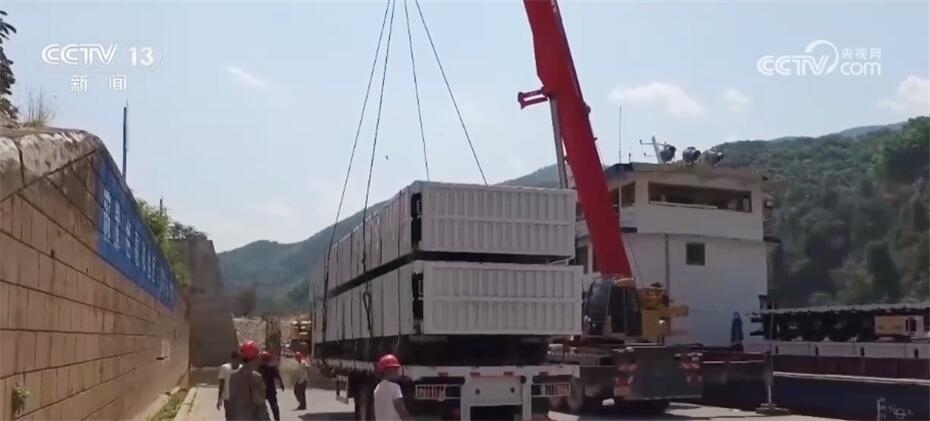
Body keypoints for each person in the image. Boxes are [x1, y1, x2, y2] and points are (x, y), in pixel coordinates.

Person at [228, 341, 270, 421]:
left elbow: (231, 403)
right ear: (255, 357)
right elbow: (259, 404)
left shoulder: (233, 376)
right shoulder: (255, 377)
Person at [373, 354, 411, 421]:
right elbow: (401, 409)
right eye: (394, 368)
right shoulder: (395, 388)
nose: (397, 371)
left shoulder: (377, 388)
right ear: (386, 371)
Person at [258, 351, 285, 421]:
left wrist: (281, 384)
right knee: (274, 407)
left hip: (262, 391)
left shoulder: (258, 368)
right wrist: (282, 385)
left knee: (262, 407)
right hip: (269, 391)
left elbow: (278, 377)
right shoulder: (272, 367)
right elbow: (278, 377)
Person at [217, 351, 241, 420]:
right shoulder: (225, 368)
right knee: (229, 417)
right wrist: (219, 399)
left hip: (240, 398)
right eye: (236, 359)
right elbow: (221, 384)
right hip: (228, 398)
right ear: (232, 359)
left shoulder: (242, 368)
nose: (237, 361)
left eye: (239, 359)